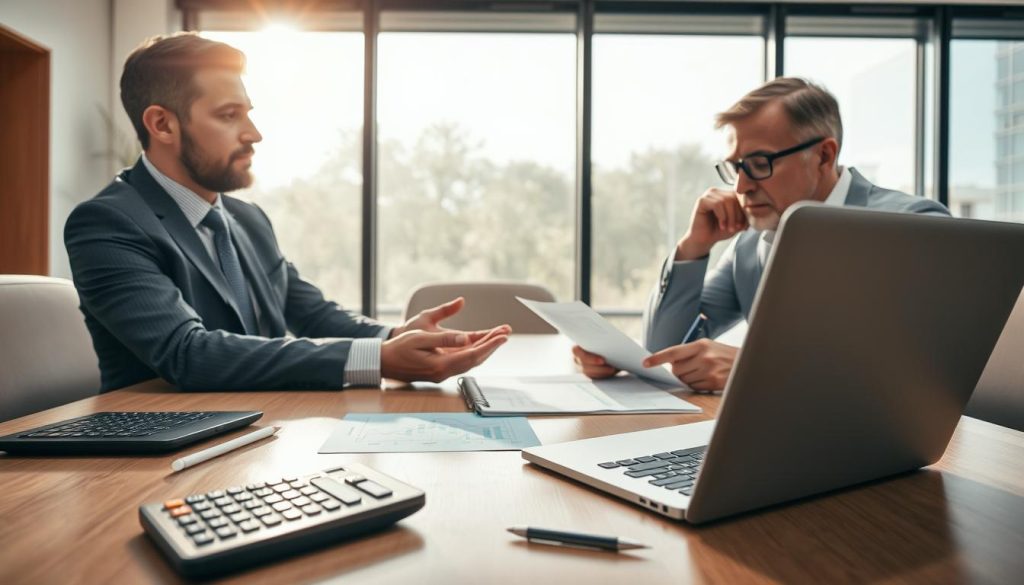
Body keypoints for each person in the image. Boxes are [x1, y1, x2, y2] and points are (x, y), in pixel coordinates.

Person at [65, 33, 509, 392]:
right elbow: (188, 354)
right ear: (162, 124)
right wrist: (376, 361)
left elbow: (314, 315)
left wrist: (392, 339)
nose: (254, 133)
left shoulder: (246, 219)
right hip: (152, 458)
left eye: (249, 114)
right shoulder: (107, 224)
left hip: (258, 431)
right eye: (228, 115)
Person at [574, 77, 949, 391]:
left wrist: (752, 369)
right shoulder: (752, 243)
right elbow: (665, 347)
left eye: (758, 163)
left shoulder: (915, 226)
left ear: (823, 156)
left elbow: (919, 375)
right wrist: (694, 247)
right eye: (735, 167)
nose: (741, 186)